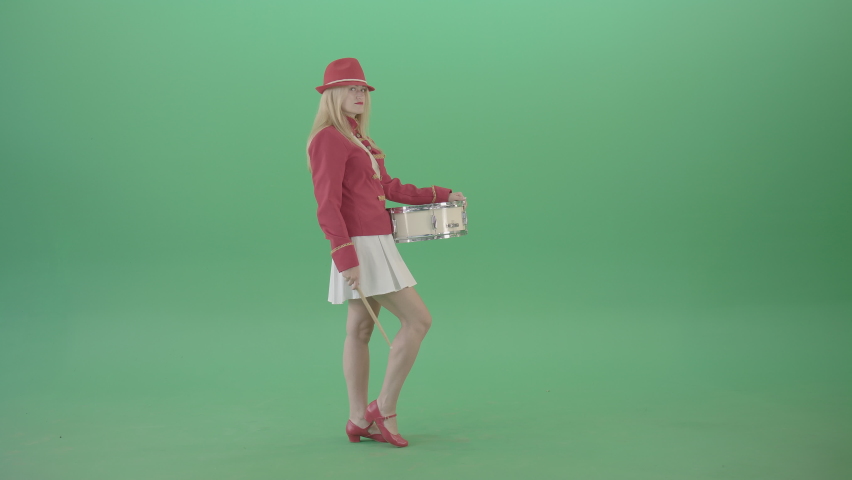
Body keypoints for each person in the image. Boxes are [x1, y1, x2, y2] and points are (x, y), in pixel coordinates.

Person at [306, 58, 465, 448]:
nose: (359, 95)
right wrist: (346, 258)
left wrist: (439, 195)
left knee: (359, 330)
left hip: (376, 242)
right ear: (332, 95)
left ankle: (358, 418)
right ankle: (384, 408)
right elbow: (326, 205)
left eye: (362, 89)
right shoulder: (328, 138)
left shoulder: (360, 139)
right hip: (359, 246)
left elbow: (389, 186)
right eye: (351, 89)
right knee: (418, 321)